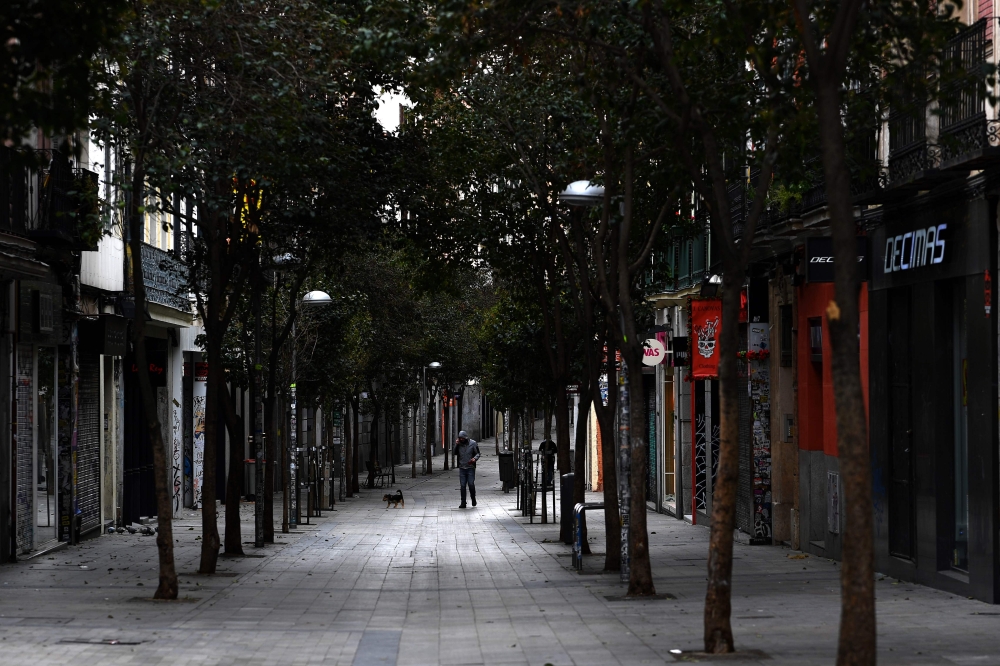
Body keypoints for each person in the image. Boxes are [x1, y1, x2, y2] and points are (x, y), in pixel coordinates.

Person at [454, 430, 481, 508]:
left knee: (471, 484)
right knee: (462, 486)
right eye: (460, 438)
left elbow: (478, 453)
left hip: (470, 467)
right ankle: (463, 502)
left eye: (462, 438)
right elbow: (455, 453)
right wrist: (456, 445)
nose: (461, 440)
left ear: (466, 437)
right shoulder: (459, 444)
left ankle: (473, 498)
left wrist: (475, 459)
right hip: (462, 467)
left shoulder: (473, 443)